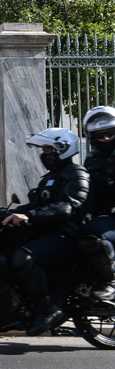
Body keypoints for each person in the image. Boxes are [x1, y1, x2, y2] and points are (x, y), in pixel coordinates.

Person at [1, 128, 89, 336]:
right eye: (43, 150)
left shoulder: (76, 174)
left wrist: (30, 216)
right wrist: (4, 213)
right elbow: (35, 205)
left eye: (48, 149)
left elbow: (66, 207)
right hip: (47, 233)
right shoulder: (51, 177)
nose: (43, 154)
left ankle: (47, 309)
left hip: (67, 236)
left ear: (62, 149)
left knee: (23, 258)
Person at [77, 106, 115, 300]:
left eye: (110, 133)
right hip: (101, 215)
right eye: (100, 135)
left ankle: (110, 281)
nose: (106, 138)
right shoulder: (92, 158)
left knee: (90, 235)